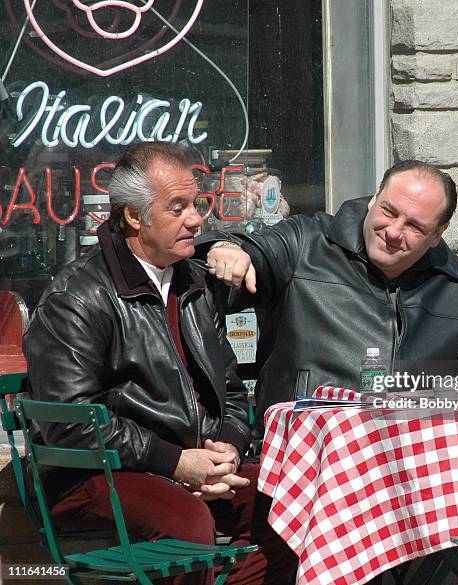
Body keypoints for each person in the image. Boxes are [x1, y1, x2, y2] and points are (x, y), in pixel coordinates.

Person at [23, 142, 295, 585]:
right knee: (187, 523)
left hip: (191, 463)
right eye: (178, 207)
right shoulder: (77, 297)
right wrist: (174, 463)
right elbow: (71, 425)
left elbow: (228, 389)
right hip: (94, 473)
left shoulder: (194, 281)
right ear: (135, 216)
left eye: (197, 203)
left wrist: (226, 443)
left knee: (294, 501)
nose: (197, 218)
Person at [200, 160, 458, 435]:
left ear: (437, 234)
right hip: (303, 454)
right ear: (373, 198)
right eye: (389, 211)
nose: (393, 232)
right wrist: (226, 248)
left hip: (411, 467)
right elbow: (256, 252)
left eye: (414, 226)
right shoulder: (307, 242)